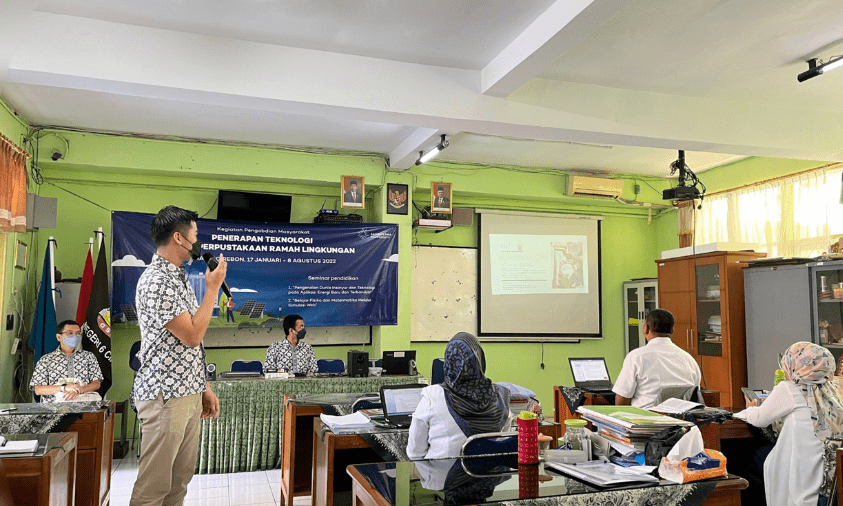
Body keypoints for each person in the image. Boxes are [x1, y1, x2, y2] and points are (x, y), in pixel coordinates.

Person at [129, 205, 225, 506]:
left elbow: (188, 345)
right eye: (195, 235)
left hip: (187, 392)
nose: (198, 242)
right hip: (164, 397)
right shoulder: (157, 281)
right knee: (153, 489)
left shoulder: (179, 277)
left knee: (178, 483)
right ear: (178, 238)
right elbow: (194, 333)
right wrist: (213, 290)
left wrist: (203, 387)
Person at [736, 342, 843, 506]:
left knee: (753, 460)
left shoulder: (790, 388)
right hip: (828, 483)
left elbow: (759, 419)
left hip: (803, 480)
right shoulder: (834, 387)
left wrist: (750, 409)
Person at [407, 332, 511, 459]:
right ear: (480, 360)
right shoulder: (501, 396)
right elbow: (503, 445)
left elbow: (415, 453)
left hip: (444, 476)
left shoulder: (432, 396)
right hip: (490, 476)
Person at [612, 308, 701, 408]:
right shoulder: (689, 359)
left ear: (645, 328)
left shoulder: (636, 357)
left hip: (645, 420)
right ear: (672, 330)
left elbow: (622, 400)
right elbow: (695, 393)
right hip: (681, 420)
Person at [30, 320, 103, 403]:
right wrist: (64, 388)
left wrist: (81, 389)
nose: (75, 336)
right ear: (59, 337)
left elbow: (97, 383)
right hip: (54, 410)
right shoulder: (46, 360)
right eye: (70, 333)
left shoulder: (89, 357)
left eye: (78, 333)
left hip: (84, 406)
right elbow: (38, 389)